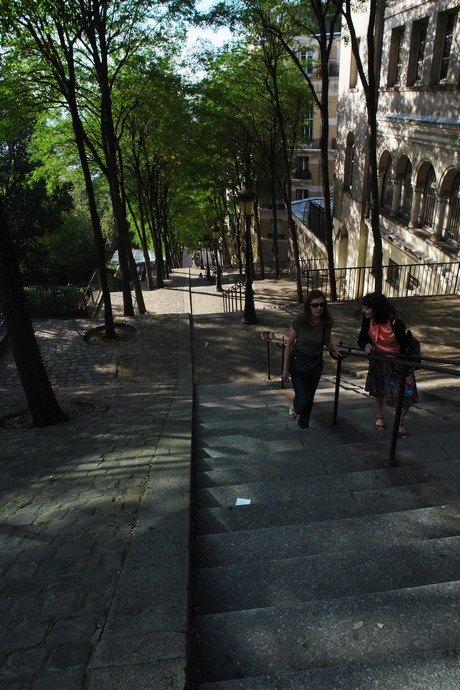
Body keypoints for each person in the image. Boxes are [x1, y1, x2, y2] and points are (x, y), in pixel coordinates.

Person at [357, 292, 418, 437]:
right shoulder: (368, 320)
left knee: (407, 394)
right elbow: (361, 340)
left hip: (397, 364)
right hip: (378, 361)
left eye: (366, 308)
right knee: (378, 390)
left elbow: (405, 346)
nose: (362, 311)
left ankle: (400, 423)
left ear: (376, 309)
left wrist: (404, 362)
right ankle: (380, 416)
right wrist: (366, 346)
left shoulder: (396, 324)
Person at [282, 290, 342, 429]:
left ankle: (303, 425)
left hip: (315, 364)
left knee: (309, 397)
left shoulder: (326, 322)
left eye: (322, 305)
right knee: (303, 398)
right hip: (298, 362)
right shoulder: (299, 321)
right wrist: (285, 369)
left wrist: (334, 347)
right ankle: (295, 406)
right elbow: (290, 344)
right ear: (308, 306)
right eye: (315, 305)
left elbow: (327, 341)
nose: (319, 308)